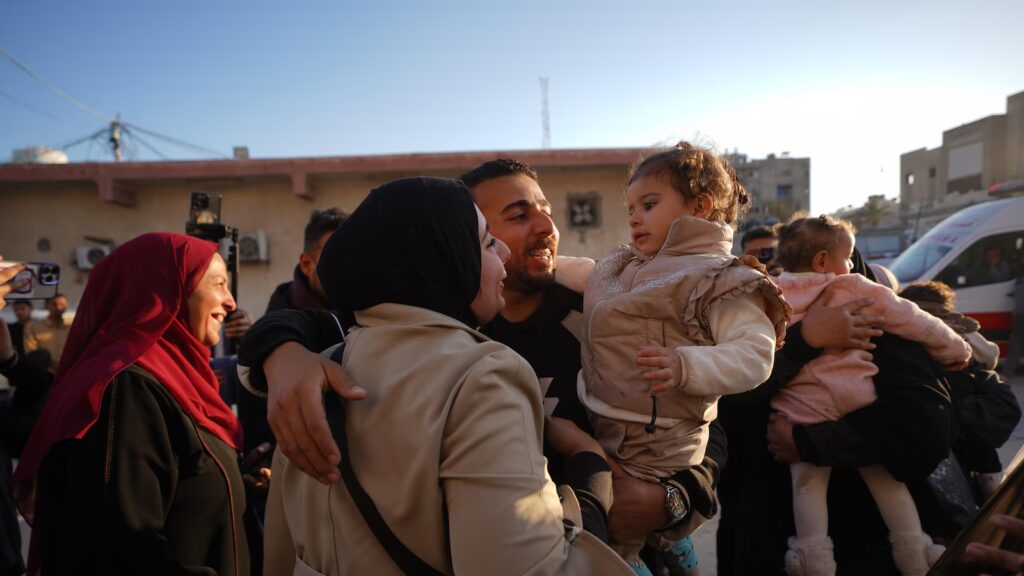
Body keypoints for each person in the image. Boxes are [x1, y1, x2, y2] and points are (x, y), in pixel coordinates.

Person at [239, 158, 725, 572]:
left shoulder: (607, 312)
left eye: (546, 210)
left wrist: (670, 500)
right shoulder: (460, 349)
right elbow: (308, 323)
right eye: (508, 221)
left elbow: (702, 415)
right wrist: (279, 351)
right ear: (449, 246)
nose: (544, 228)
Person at [551, 142, 789, 573]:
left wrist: (687, 366)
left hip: (662, 439)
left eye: (649, 204)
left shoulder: (719, 279)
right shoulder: (631, 266)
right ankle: (671, 552)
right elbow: (588, 274)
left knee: (624, 535)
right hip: (611, 424)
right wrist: (547, 263)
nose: (635, 217)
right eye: (631, 208)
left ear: (701, 206)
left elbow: (755, 355)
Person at [11, 232, 260, 575]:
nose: (230, 302)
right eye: (218, 284)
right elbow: (124, 541)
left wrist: (233, 481)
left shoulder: (176, 379)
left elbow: (176, 485)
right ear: (166, 292)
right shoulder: (125, 389)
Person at [717, 246, 959, 576]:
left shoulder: (880, 328)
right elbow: (730, 402)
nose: (799, 290)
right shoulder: (753, 334)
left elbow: (924, 429)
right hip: (765, 541)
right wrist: (803, 339)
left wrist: (808, 442)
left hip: (865, 547)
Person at [769, 215, 970, 576]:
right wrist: (956, 349)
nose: (849, 264)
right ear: (822, 262)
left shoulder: (769, 291)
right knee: (887, 480)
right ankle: (914, 552)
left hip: (801, 406)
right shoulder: (855, 287)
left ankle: (812, 561)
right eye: (846, 256)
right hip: (855, 396)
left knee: (807, 485)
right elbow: (915, 320)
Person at [900, 280, 1021, 499]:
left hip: (941, 424)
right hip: (963, 418)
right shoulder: (959, 330)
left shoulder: (903, 331)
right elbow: (989, 356)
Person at [265, 207, 348, 313]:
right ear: (306, 265)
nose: (348, 268)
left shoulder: (367, 304)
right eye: (335, 259)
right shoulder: (282, 315)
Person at [23, 293, 71, 371]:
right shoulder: (33, 326)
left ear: (67, 306)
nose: (58, 307)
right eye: (54, 304)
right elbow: (31, 351)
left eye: (62, 304)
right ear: (46, 305)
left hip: (67, 371)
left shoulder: (71, 328)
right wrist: (51, 365)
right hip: (43, 372)